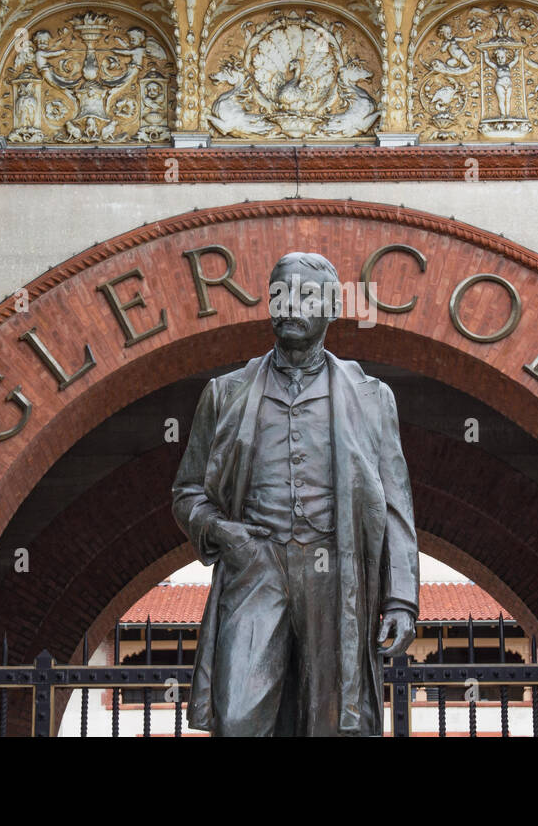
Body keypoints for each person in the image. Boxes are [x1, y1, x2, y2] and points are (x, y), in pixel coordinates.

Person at [172, 252, 418, 736]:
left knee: (330, 721)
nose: (290, 305)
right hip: (255, 566)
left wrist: (401, 598)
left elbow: (395, 505)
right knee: (238, 716)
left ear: (330, 308)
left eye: (305, 295)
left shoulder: (372, 398)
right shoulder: (226, 393)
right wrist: (225, 533)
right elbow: (187, 493)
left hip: (335, 569)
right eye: (280, 293)